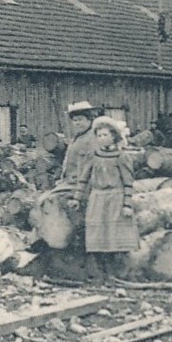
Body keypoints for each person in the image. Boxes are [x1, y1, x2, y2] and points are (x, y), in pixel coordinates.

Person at [61, 116, 139, 281]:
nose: (102, 138)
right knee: (97, 235)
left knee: (115, 236)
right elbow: (84, 178)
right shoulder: (93, 156)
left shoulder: (122, 156)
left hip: (115, 198)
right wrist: (77, 198)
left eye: (105, 135)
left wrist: (127, 204)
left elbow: (128, 182)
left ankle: (116, 273)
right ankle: (100, 273)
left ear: (114, 137)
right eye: (99, 135)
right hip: (97, 198)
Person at [60, 99, 102, 186]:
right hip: (71, 181)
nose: (77, 123)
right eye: (75, 120)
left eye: (80, 119)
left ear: (90, 119)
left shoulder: (93, 137)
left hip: (84, 183)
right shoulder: (77, 137)